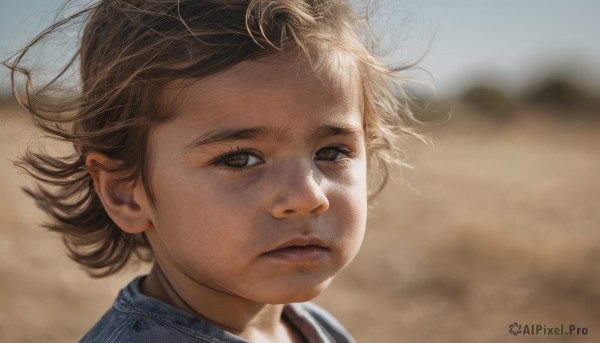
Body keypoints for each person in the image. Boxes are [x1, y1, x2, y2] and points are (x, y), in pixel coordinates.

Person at [5, 0, 424, 342]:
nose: (307, 196)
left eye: (332, 151)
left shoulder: (306, 326)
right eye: (240, 159)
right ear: (125, 192)